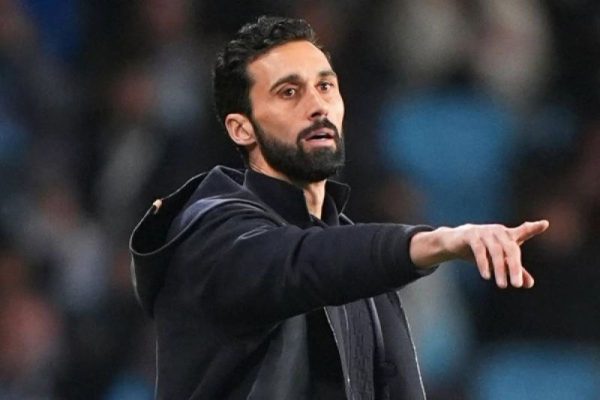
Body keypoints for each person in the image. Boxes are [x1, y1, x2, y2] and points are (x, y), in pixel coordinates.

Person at [129, 16, 549, 400]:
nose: (317, 106)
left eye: (326, 86)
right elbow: (300, 263)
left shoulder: (360, 268)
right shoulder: (209, 233)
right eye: (289, 92)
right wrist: (435, 242)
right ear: (242, 129)